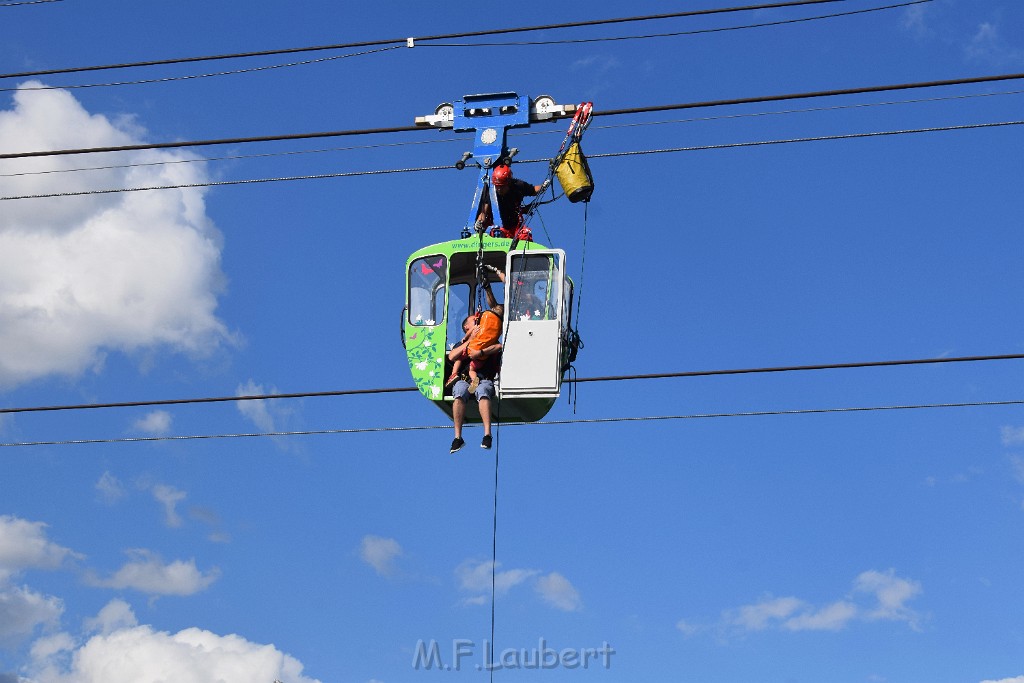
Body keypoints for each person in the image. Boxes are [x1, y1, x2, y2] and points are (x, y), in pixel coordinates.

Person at [448, 267, 505, 453]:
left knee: (483, 390)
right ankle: (457, 437)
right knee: (459, 391)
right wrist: (469, 342)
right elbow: (452, 356)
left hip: (484, 376)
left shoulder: (488, 339)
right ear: (467, 326)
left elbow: (498, 347)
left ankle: (487, 434)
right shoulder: (463, 341)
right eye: (475, 320)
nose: (479, 321)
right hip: (467, 375)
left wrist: (480, 351)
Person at [477, 164, 546, 240]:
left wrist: (544, 186)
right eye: (497, 186)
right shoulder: (491, 192)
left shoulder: (518, 186)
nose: (499, 189)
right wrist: (479, 222)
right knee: (497, 233)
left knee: (525, 236)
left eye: (502, 186)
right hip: (498, 227)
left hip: (515, 227)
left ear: (508, 183)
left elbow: (534, 190)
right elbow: (484, 212)